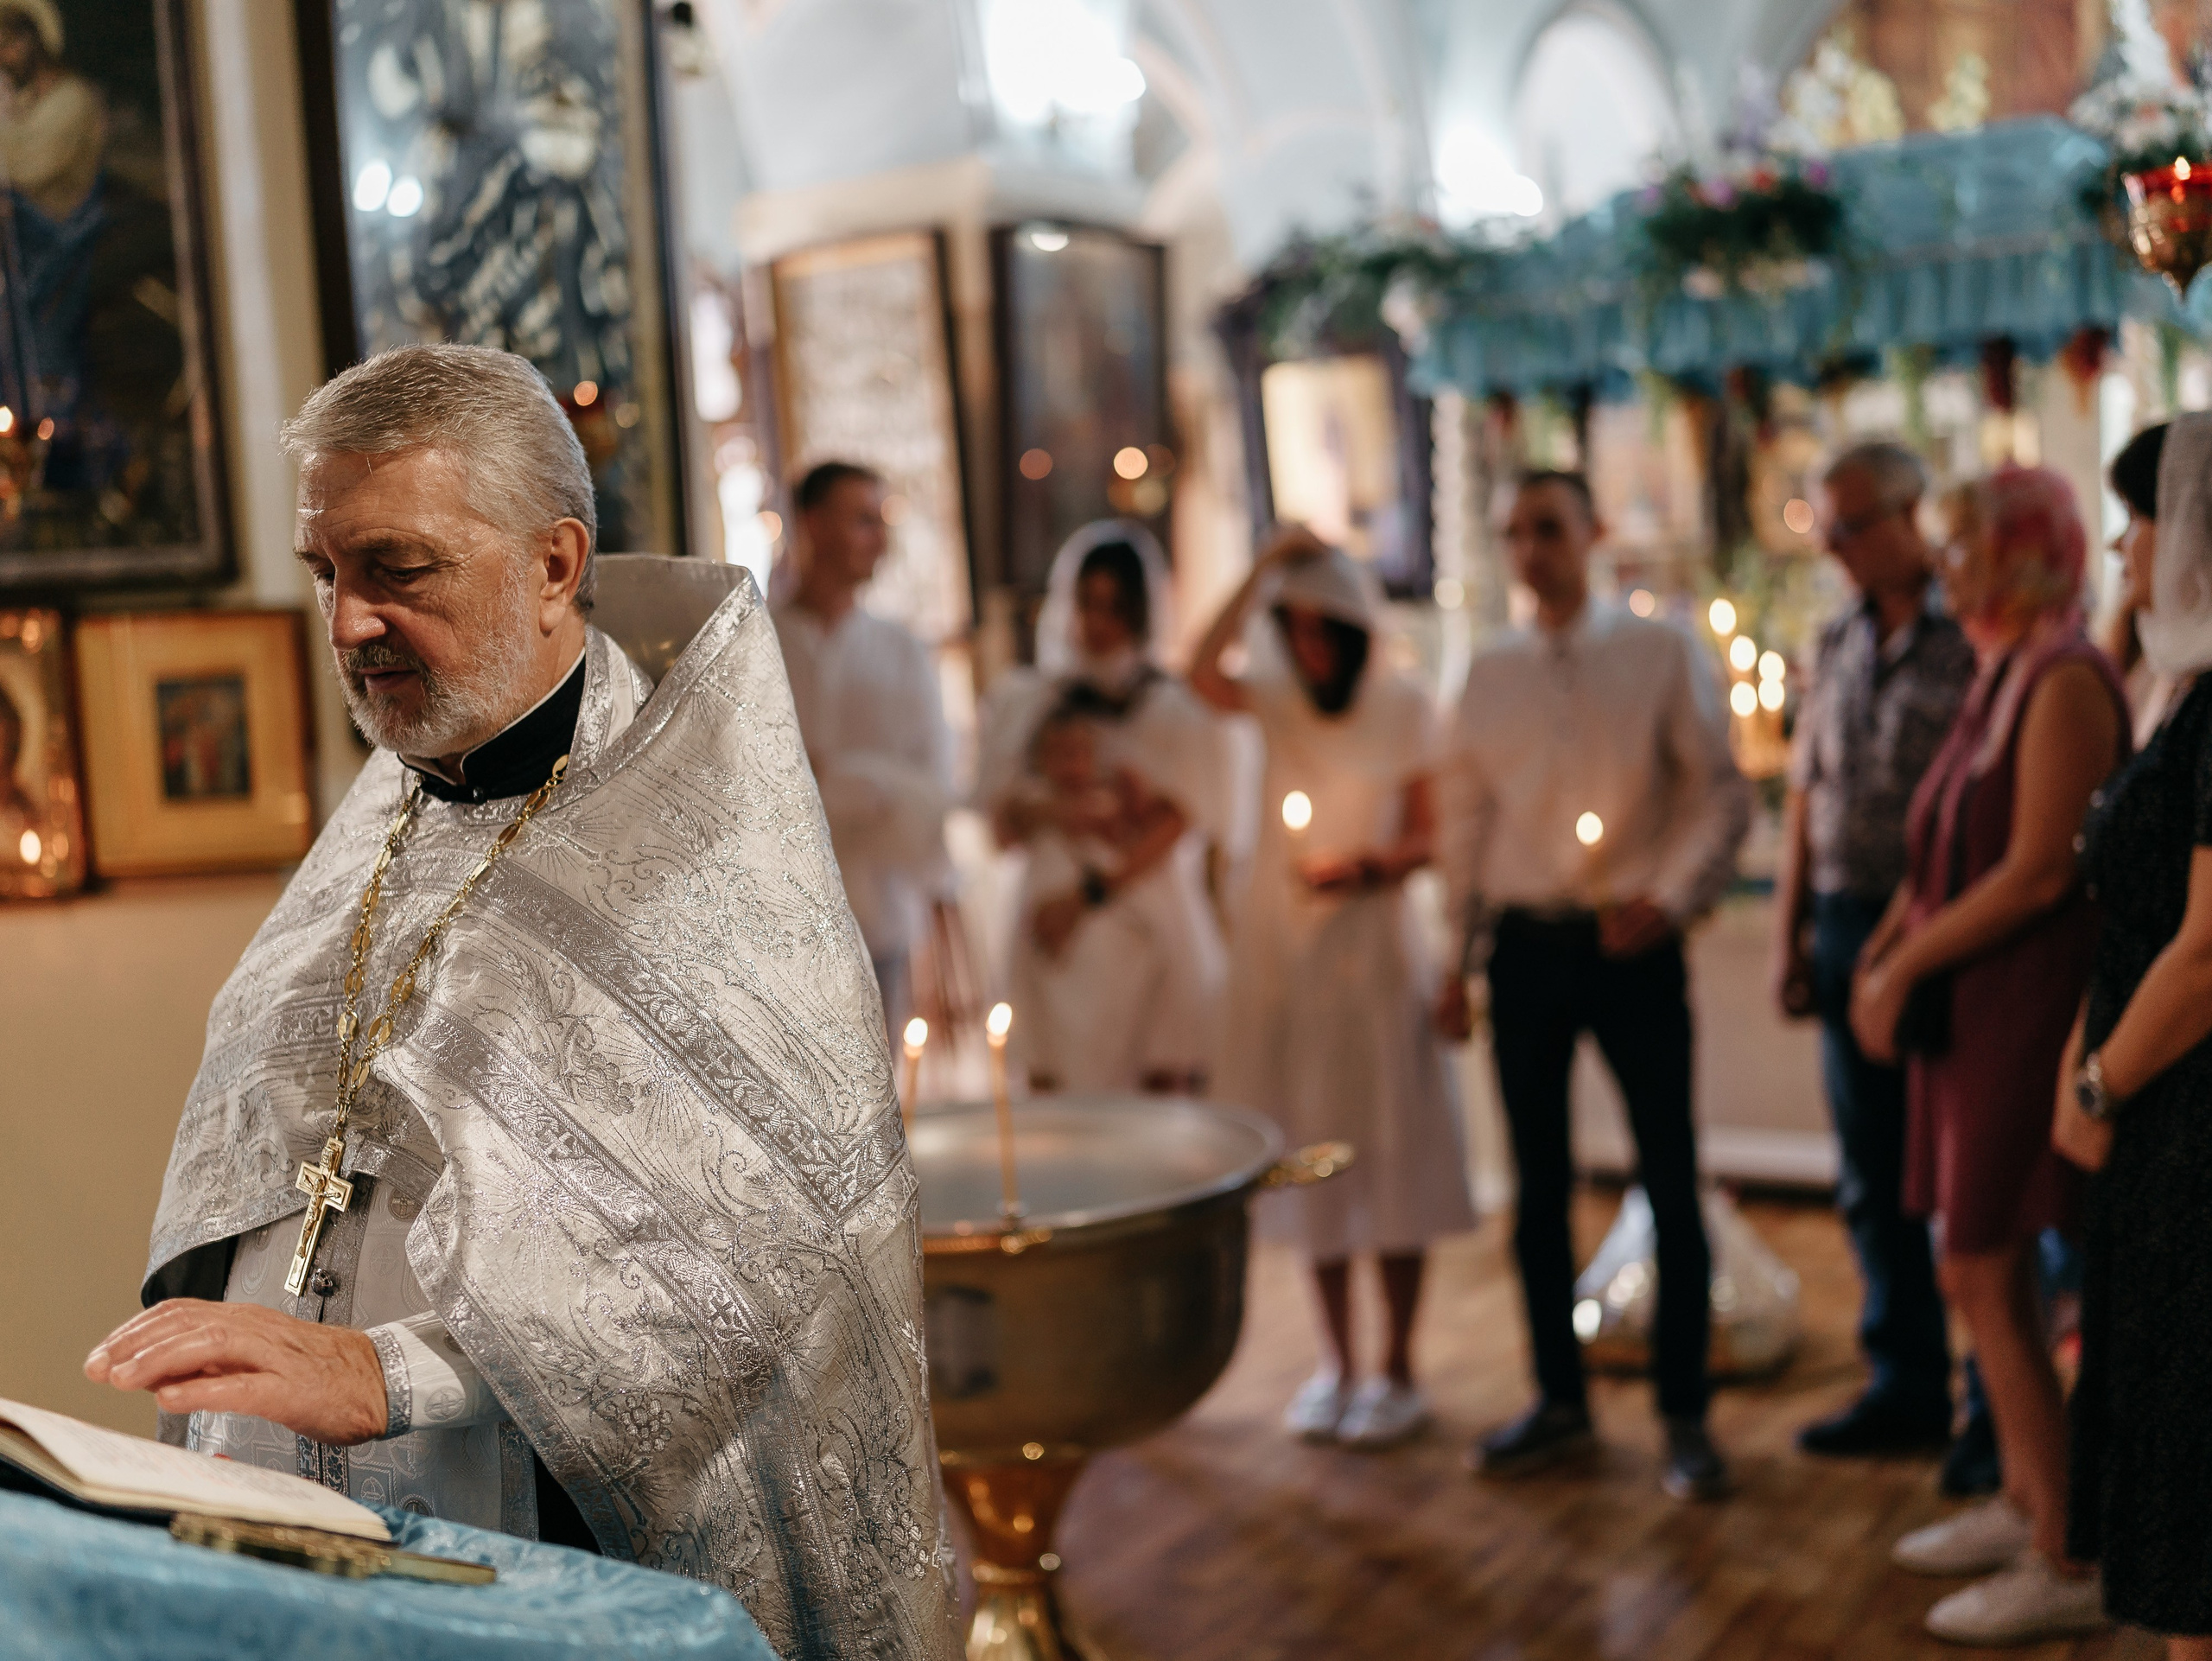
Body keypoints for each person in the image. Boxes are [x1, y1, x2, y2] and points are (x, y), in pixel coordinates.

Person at [82, 347, 960, 1661]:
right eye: (329, 572)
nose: (348, 624)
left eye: (400, 569)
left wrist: (390, 1374)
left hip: (554, 1530)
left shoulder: (705, 860)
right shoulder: (382, 814)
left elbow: (760, 1254)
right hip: (291, 1512)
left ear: (554, 565)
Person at [1850, 465, 2126, 1645]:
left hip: (2023, 1002)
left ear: (2021, 554)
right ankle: (2027, 1498)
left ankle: (2065, 1543)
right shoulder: (2002, 663)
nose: (1945, 563)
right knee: (1980, 1268)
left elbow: (2039, 871)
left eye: (1964, 546)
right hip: (1972, 1010)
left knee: (1982, 1263)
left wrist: (1907, 967)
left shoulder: (2064, 675)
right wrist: (1880, 948)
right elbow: (1935, 838)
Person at [1436, 469, 1749, 1501]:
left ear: (1592, 533)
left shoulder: (1658, 651)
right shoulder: (1486, 674)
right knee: (1535, 1187)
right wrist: (1453, 952)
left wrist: (1666, 894)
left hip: (1632, 941)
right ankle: (1558, 1398)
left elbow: (1718, 791)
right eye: (1511, 531)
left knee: (1670, 1170)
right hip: (1525, 946)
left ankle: (1684, 1414)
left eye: (1546, 527)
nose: (1528, 548)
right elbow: (1466, 825)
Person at [1192, 526, 1472, 1449]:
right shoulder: (1275, 700)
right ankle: (1336, 1360)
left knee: (1390, 1140)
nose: (1309, 645)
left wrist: (1370, 865)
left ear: (1356, 630)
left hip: (1377, 953)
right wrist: (1262, 564)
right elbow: (1195, 667)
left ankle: (1396, 1365)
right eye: (1293, 625)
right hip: (1293, 961)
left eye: (1326, 627)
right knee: (1311, 1144)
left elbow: (1435, 833)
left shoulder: (1402, 703)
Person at [1772, 442, 1976, 1461]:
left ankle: (1989, 1398)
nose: (1839, 547)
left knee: (1957, 1169)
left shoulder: (1969, 639)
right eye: (1828, 528)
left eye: (1852, 524)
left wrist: (1906, 938)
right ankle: (1902, 1380)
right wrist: (1791, 932)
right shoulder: (1836, 638)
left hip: (1943, 929)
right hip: (1841, 918)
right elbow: (1808, 793)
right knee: (1869, 1169)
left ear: (1909, 516)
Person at [2056, 413, 2212, 1661]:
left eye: (2143, 514)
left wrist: (2100, 1086)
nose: (2122, 542)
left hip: (2193, 1133)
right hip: (2164, 1130)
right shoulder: (2189, 687)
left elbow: (2208, 952)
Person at [978, 519, 1227, 1094]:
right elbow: (1001, 826)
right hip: (1050, 909)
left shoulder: (1172, 707)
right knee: (1056, 1086)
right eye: (1087, 604)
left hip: (1140, 900)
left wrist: (1090, 893)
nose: (1096, 622)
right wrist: (1058, 812)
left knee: (1158, 1082)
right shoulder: (1031, 701)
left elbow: (1180, 822)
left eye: (1113, 607)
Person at [772, 460, 958, 1047]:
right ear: (812, 525)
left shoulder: (902, 651)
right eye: (861, 520)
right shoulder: (759, 640)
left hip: (877, 915)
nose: (879, 539)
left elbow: (935, 788)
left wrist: (839, 781)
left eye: (881, 522)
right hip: (778, 923)